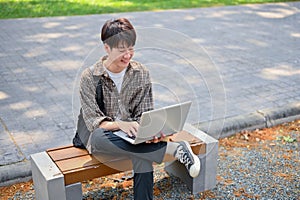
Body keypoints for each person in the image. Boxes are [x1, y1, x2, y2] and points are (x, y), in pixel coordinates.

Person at [77, 17, 201, 200]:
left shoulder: (140, 73)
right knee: (99, 138)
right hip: (99, 137)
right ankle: (174, 150)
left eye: (131, 49)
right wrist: (121, 125)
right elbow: (93, 123)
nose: (127, 55)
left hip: (132, 136)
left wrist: (151, 131)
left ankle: (168, 148)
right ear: (107, 48)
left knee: (142, 155)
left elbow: (144, 114)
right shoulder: (89, 77)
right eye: (121, 50)